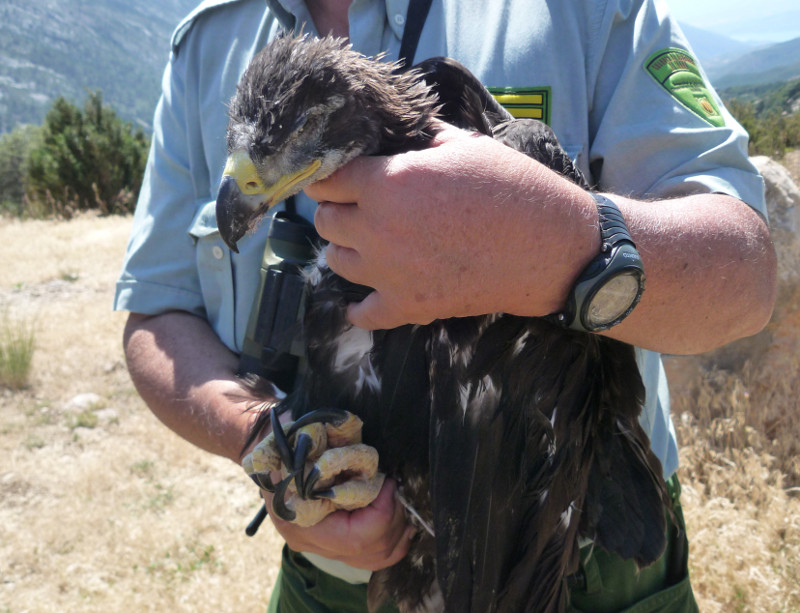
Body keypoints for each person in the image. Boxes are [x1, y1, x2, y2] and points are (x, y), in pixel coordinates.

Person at [115, 0, 777, 611]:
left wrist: (558, 241)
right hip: (336, 583)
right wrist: (265, 439)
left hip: (577, 556)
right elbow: (156, 314)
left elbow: (748, 277)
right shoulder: (211, 43)